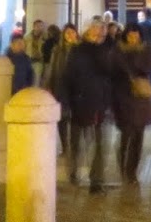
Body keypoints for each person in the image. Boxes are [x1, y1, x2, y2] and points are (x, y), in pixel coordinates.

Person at [65, 19, 114, 192]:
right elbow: (69, 76)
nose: (100, 33)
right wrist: (68, 102)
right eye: (96, 30)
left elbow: (111, 73)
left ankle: (96, 180)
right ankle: (73, 173)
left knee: (100, 144)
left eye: (102, 30)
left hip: (101, 103)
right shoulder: (78, 50)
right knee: (78, 143)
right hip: (81, 102)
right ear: (88, 31)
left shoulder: (107, 49)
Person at [112, 25, 151, 186]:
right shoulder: (118, 49)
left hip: (140, 97)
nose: (133, 38)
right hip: (123, 97)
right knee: (126, 135)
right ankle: (123, 168)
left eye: (136, 35)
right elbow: (114, 70)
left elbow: (149, 68)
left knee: (138, 136)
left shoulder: (146, 49)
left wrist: (135, 56)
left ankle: (132, 172)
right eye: (130, 35)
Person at [45, 23, 78, 154]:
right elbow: (51, 68)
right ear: (63, 35)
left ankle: (74, 146)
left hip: (77, 87)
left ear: (76, 33)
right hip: (61, 85)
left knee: (75, 118)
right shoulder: (57, 50)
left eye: (72, 32)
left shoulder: (80, 48)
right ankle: (65, 146)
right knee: (62, 118)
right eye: (67, 33)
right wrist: (48, 85)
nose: (70, 35)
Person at [25, 19, 47, 87]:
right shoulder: (27, 37)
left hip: (39, 61)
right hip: (28, 61)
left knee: (36, 81)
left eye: (41, 26)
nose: (39, 28)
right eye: (37, 26)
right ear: (34, 27)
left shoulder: (45, 37)